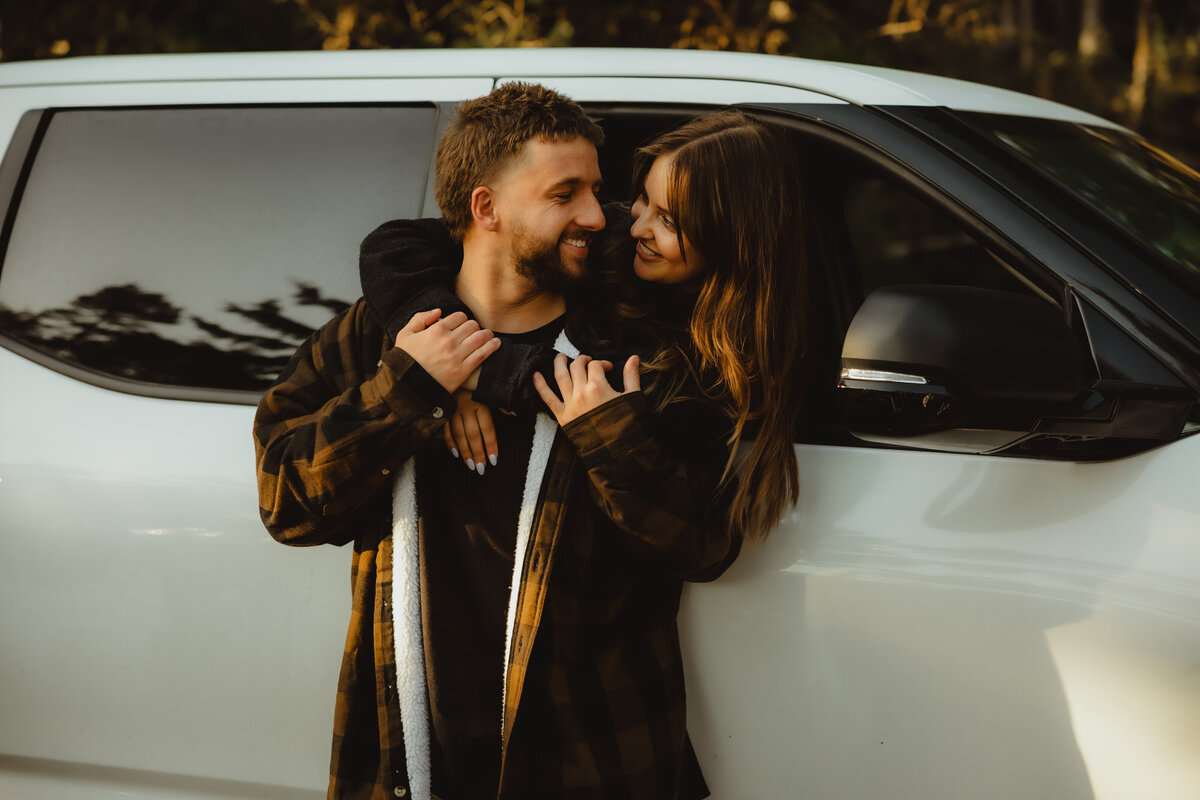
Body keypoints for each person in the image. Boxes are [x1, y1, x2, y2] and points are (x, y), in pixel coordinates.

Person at [254, 82, 739, 800]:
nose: (596, 216)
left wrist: (606, 432)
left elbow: (703, 541)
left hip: (594, 763)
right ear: (485, 208)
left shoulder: (634, 348)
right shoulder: (375, 339)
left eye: (597, 190)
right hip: (408, 761)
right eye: (564, 193)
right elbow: (286, 501)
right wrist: (414, 388)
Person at [359, 109, 808, 544]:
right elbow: (393, 248)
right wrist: (456, 357)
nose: (637, 227)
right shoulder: (607, 248)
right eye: (644, 199)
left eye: (669, 220)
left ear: (731, 239)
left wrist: (481, 375)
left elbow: (703, 542)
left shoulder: (713, 366)